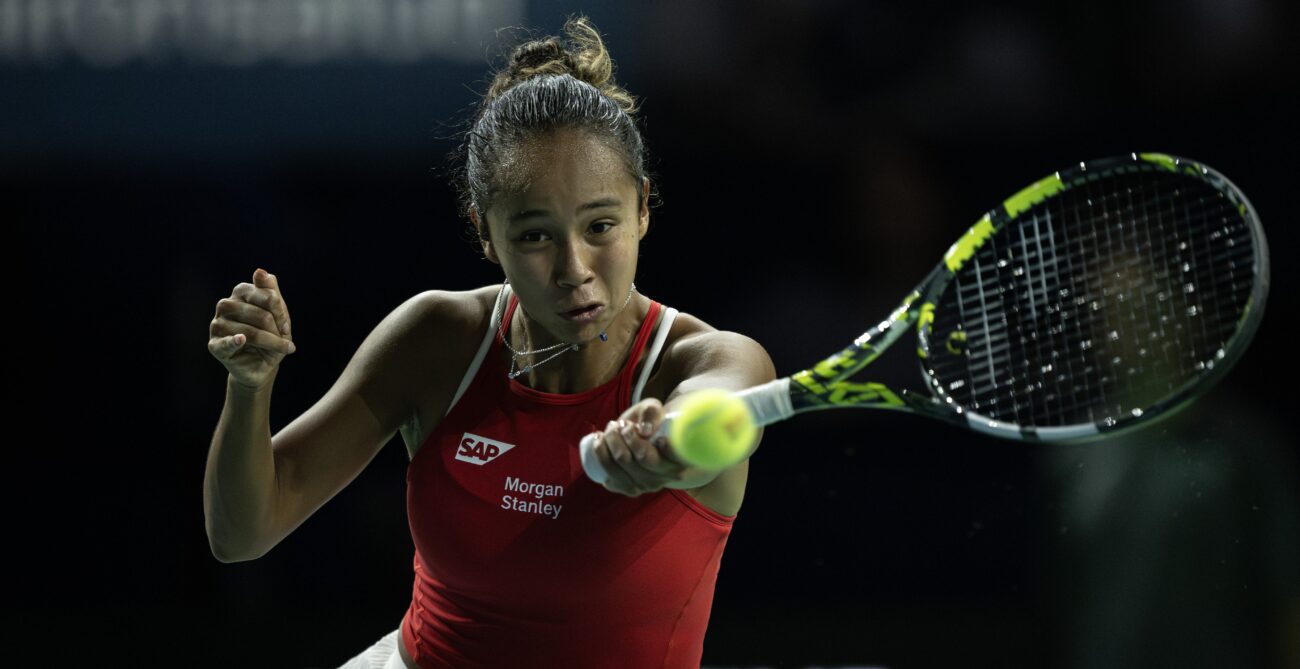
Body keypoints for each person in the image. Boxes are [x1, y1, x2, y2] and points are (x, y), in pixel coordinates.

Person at [203, 16, 775, 669]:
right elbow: (241, 532)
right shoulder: (437, 339)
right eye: (535, 235)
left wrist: (665, 439)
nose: (573, 267)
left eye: (600, 224)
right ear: (484, 232)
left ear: (644, 207)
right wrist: (249, 388)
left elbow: (722, 407)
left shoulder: (709, 358)